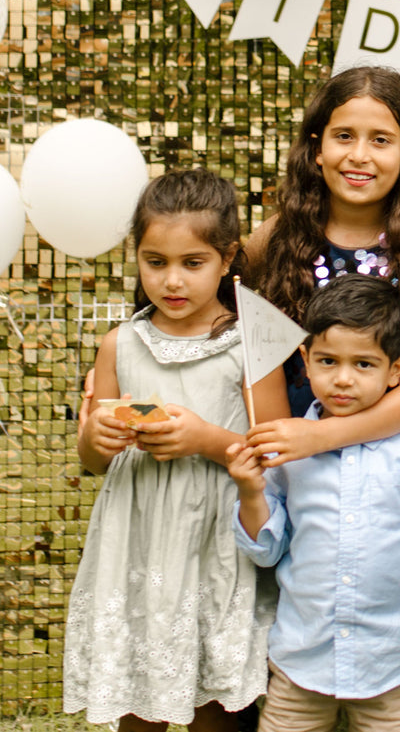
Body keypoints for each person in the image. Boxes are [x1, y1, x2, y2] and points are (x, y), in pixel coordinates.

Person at [243, 66, 400, 730]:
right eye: (343, 135)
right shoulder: (270, 241)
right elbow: (261, 375)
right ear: (314, 145)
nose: (360, 155)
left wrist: (323, 437)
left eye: (381, 139)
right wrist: (288, 453)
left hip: (390, 481)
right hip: (300, 489)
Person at [64, 169, 291, 732]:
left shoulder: (250, 343)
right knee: (138, 695)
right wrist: (96, 438)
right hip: (138, 537)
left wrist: (207, 441)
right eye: (154, 261)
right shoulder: (120, 343)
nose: (171, 281)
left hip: (213, 538)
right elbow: (94, 459)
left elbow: (280, 450)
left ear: (228, 256)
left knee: (213, 702)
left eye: (193, 263)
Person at [226, 273, 400, 732]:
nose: (343, 379)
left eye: (364, 364)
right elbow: (266, 549)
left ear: (397, 370)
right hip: (301, 660)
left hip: (391, 663)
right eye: (327, 361)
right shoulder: (287, 451)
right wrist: (249, 490)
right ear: (305, 360)